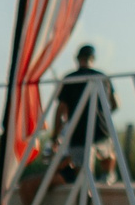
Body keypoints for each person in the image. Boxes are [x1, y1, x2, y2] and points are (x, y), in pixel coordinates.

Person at [51, 45, 120, 187]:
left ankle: (86, 194)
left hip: (79, 132)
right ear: (92, 58)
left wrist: (55, 135)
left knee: (83, 172)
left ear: (77, 59)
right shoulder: (102, 77)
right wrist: (103, 115)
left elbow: (60, 109)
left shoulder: (70, 79)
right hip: (101, 129)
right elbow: (116, 103)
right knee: (107, 153)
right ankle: (108, 174)